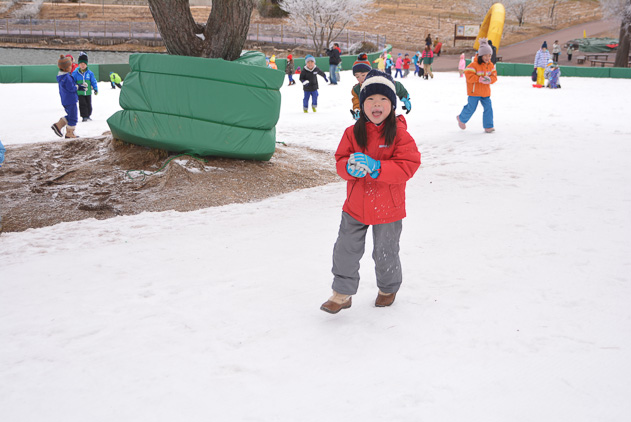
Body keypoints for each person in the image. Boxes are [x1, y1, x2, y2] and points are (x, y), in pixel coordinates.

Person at [320, 69, 421, 314]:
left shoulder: (400, 134)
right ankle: (341, 294)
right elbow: (340, 160)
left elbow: (408, 166)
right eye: (371, 99)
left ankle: (388, 289)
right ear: (362, 104)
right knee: (345, 249)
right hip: (355, 204)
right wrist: (349, 168)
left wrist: (377, 168)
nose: (376, 104)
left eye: (383, 99)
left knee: (385, 251)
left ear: (392, 105)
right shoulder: (352, 133)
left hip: (388, 206)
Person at [349, 53, 412, 121]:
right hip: (369, 118)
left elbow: (397, 86)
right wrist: (357, 110)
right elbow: (356, 101)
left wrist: (405, 99)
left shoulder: (381, 81)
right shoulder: (357, 89)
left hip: (387, 117)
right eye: (357, 76)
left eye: (363, 75)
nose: (360, 79)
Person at [456, 38, 497, 133]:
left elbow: (494, 76)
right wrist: (479, 79)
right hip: (474, 92)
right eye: (485, 55)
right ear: (480, 55)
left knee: (488, 108)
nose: (487, 58)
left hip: (485, 92)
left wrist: (490, 79)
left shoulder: (490, 65)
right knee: (471, 108)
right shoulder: (473, 65)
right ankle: (461, 119)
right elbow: (468, 76)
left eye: (489, 55)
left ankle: (488, 126)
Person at [52, 54, 85, 139]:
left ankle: (59, 125)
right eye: (70, 66)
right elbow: (71, 88)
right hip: (70, 100)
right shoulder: (66, 77)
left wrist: (77, 86)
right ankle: (69, 133)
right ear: (65, 68)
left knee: (71, 115)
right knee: (73, 117)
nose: (71, 67)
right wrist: (79, 87)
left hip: (66, 100)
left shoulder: (62, 77)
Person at [72, 52, 98, 122]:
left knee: (89, 104)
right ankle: (84, 116)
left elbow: (93, 81)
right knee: (82, 104)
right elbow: (72, 82)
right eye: (81, 64)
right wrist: (76, 87)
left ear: (86, 64)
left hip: (88, 92)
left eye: (84, 64)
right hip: (80, 92)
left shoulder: (90, 73)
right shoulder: (75, 73)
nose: (83, 66)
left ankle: (88, 115)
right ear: (79, 64)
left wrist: (95, 88)